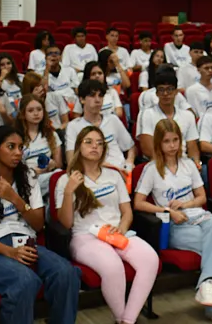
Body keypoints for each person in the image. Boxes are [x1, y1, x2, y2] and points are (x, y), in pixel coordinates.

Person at [0, 126, 80, 324]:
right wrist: (9, 252)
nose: (18, 152)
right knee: (25, 282)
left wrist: (14, 198)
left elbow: (38, 224)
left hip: (25, 241)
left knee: (66, 273)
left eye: (20, 147)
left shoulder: (28, 179)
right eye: (11, 147)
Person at [134, 120, 212, 324]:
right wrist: (167, 211)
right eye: (166, 141)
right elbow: (138, 203)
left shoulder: (189, 164)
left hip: (198, 217)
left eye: (175, 140)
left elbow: (202, 198)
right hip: (174, 225)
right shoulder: (151, 169)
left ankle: (207, 284)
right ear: (158, 144)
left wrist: (187, 204)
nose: (172, 145)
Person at [55, 126, 160, 324]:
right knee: (112, 266)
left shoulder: (113, 175)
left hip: (115, 232)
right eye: (89, 142)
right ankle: (122, 318)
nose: (95, 146)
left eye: (100, 143)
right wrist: (69, 192)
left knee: (150, 259)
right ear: (78, 147)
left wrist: (122, 227)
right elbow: (66, 223)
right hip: (85, 236)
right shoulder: (65, 180)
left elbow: (127, 212)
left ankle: (127, 320)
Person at [65, 80, 135, 169]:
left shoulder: (112, 119)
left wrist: (129, 161)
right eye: (92, 95)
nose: (98, 100)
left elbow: (130, 147)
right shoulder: (73, 126)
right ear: (82, 99)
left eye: (100, 96)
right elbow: (71, 161)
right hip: (92, 173)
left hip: (121, 170)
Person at [137, 72, 199, 162]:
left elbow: (192, 147)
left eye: (169, 89)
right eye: (161, 90)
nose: (165, 93)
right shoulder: (146, 114)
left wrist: (195, 164)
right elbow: (147, 149)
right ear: (156, 93)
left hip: (184, 163)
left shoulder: (188, 116)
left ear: (176, 92)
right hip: (158, 163)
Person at [18, 94, 63, 197]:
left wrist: (52, 165)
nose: (36, 113)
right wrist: (33, 171)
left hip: (46, 177)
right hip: (26, 179)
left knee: (60, 175)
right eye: (30, 110)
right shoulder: (16, 137)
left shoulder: (52, 135)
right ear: (23, 114)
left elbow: (58, 164)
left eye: (39, 109)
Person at [44, 44, 80, 108]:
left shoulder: (70, 70)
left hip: (71, 103)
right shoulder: (41, 73)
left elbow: (77, 89)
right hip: (53, 105)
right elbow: (44, 91)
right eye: (50, 53)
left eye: (56, 53)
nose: (53, 55)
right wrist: (47, 70)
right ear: (45, 57)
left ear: (60, 57)